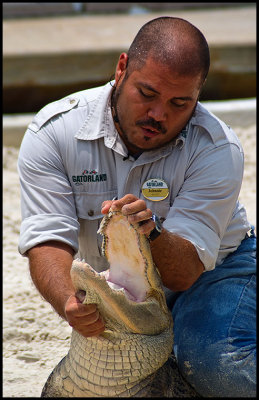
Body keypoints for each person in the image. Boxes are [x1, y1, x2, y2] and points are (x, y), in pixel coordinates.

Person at [18, 16, 256, 397]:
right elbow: (47, 239)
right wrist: (68, 303)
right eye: (147, 94)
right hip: (126, 289)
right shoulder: (54, 132)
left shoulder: (217, 148)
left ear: (198, 96)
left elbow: (184, 275)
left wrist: (152, 232)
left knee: (215, 364)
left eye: (180, 103)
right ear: (122, 68)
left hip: (216, 272)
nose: (158, 115)